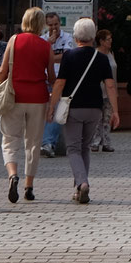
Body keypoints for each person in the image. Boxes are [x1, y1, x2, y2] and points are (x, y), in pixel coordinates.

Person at [53, 18, 115, 204]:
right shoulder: (101, 58)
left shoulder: (69, 56)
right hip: (95, 108)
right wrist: (116, 111)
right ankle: (78, 189)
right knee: (85, 148)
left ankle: (82, 183)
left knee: (73, 149)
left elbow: (60, 83)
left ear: (75, 36)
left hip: (74, 108)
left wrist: (51, 106)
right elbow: (110, 86)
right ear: (93, 36)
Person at [0, 7, 51, 204]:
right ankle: (29, 186)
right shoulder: (46, 46)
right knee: (34, 143)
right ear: (42, 24)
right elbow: (51, 76)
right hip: (38, 98)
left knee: (10, 139)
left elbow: (3, 71)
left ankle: (12, 176)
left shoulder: (14, 40)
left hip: (14, 96)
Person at [39, 12, 75, 156]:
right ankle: (49, 143)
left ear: (60, 23)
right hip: (45, 79)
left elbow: (67, 57)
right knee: (45, 113)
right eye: (50, 25)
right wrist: (49, 46)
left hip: (60, 80)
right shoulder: (43, 40)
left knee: (55, 111)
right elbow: (39, 59)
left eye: (56, 24)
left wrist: (48, 57)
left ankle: (48, 143)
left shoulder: (67, 37)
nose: (54, 28)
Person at [94, 30, 119, 152]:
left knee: (107, 117)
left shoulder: (111, 54)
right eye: (108, 39)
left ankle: (106, 142)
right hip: (98, 90)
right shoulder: (96, 54)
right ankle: (95, 141)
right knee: (97, 117)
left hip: (110, 90)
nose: (111, 41)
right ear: (101, 41)